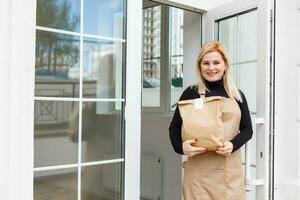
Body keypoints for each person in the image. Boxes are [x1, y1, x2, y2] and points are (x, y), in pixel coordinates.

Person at [169, 41, 253, 200]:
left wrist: (233, 145)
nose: (211, 68)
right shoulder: (191, 93)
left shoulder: (237, 95)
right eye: (206, 63)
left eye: (216, 62)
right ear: (200, 66)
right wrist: (181, 147)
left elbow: (248, 129)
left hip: (230, 175)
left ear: (225, 65)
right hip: (197, 178)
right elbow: (174, 126)